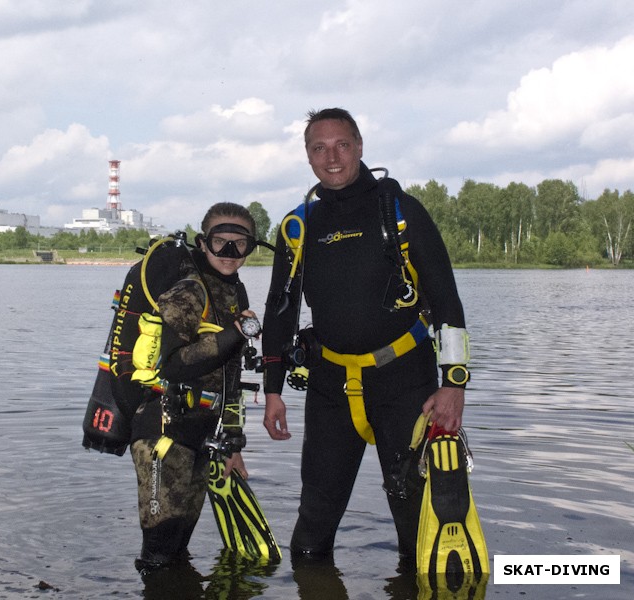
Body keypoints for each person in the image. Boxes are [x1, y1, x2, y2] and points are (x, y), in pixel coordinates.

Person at [261, 108, 470, 563]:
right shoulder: (298, 228)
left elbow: (448, 305)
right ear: (308, 156)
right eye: (319, 148)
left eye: (341, 145)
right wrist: (273, 392)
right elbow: (280, 314)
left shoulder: (401, 212)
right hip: (330, 387)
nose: (331, 157)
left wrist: (454, 383)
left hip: (406, 384)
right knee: (310, 533)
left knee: (415, 525)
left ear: (359, 146)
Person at [129, 202, 262, 574]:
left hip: (202, 434)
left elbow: (232, 375)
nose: (230, 253)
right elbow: (170, 364)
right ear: (204, 243)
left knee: (180, 545)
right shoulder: (188, 291)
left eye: (241, 244)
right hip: (163, 432)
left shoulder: (236, 293)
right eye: (221, 243)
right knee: (158, 551)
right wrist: (233, 333)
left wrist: (233, 444)